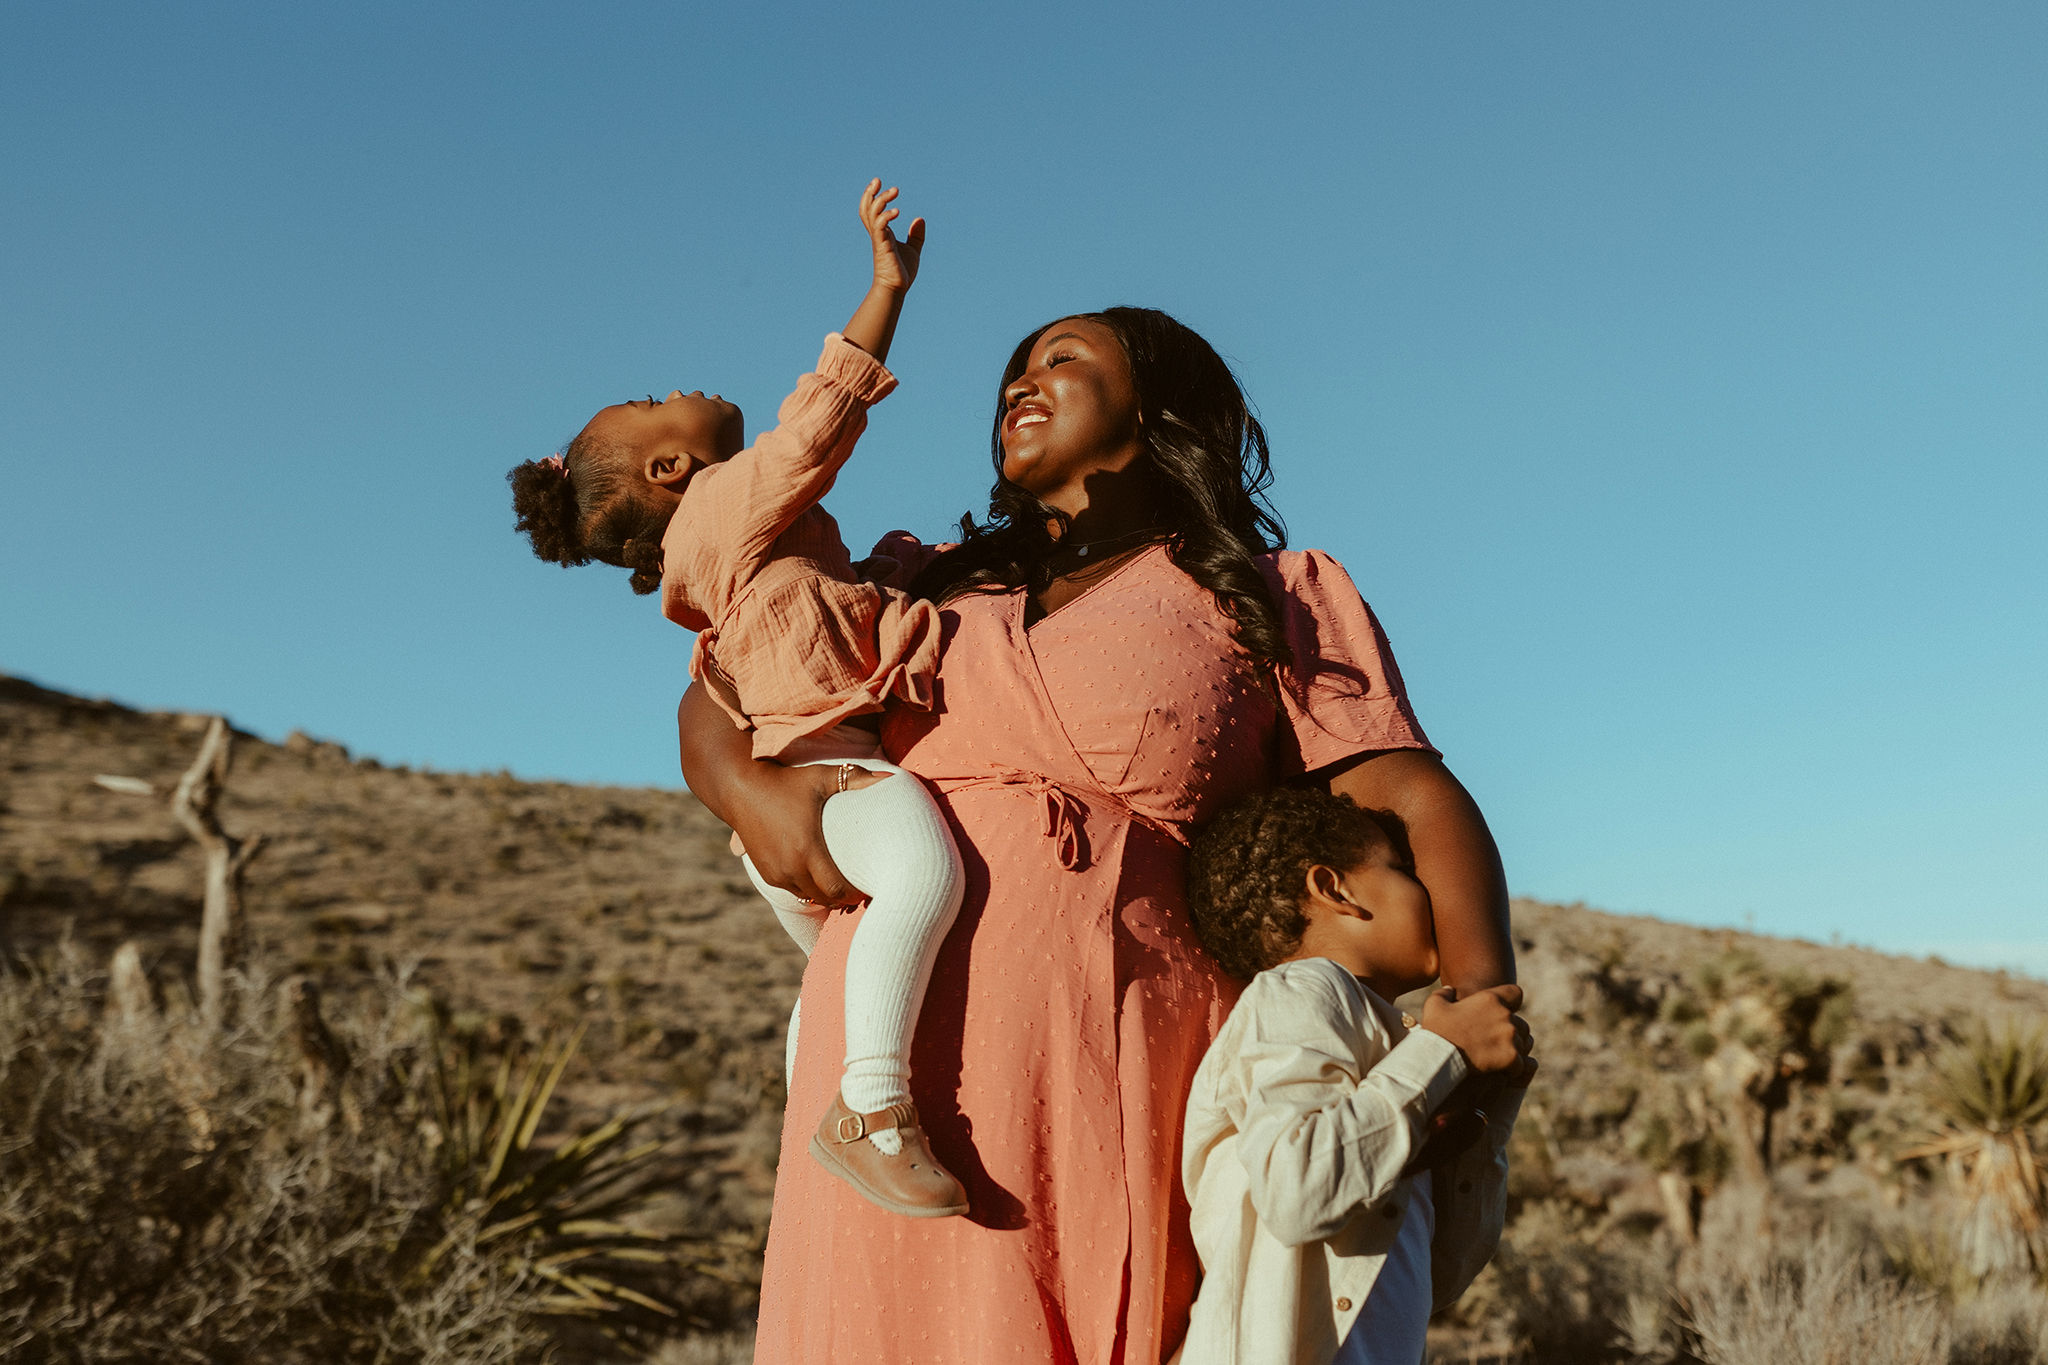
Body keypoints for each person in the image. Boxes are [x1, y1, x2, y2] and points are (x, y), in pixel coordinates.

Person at [678, 305, 1519, 1363]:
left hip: (1124, 1038)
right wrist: (742, 791)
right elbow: (731, 659)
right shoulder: (925, 578)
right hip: (882, 1073)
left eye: (1062, 360)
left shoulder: (1265, 593)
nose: (1019, 383)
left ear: (1156, 407)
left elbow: (1413, 796)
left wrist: (1475, 1005)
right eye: (1012, 370)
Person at [507, 181, 969, 1219]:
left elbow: (832, 607)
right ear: (673, 467)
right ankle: (871, 1113)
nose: (668, 385)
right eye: (646, 402)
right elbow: (818, 422)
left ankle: (815, 1131)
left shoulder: (744, 549)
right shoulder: (722, 504)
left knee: (839, 980)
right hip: (828, 780)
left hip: (795, 803)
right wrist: (883, 289)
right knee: (925, 878)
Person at [1176, 786, 1532, 1365]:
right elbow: (1296, 1192)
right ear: (1333, 889)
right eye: (1401, 869)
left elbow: (1439, 1281)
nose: (1428, 891)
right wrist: (1442, 1049)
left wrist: (1490, 1108)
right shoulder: (1299, 992)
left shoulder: (1390, 1052)